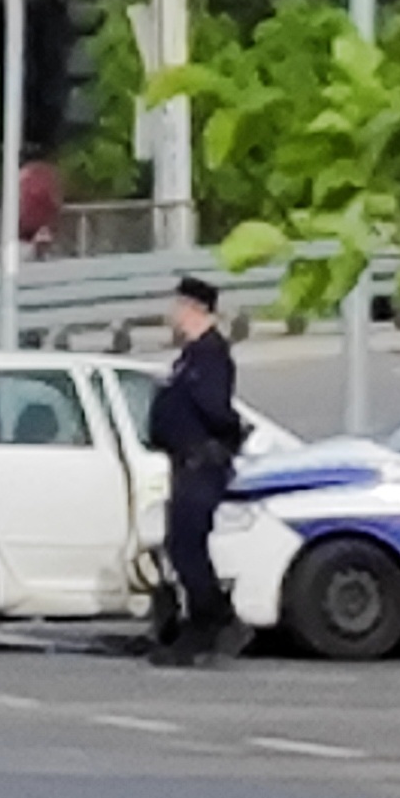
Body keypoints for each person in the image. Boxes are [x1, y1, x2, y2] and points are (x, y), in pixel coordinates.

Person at [145, 276, 249, 666]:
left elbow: (215, 408)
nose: (173, 315)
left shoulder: (211, 355)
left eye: (179, 307)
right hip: (185, 464)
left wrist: (230, 435)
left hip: (202, 464)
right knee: (181, 545)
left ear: (194, 309)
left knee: (188, 549)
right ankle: (209, 620)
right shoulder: (191, 355)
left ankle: (212, 622)